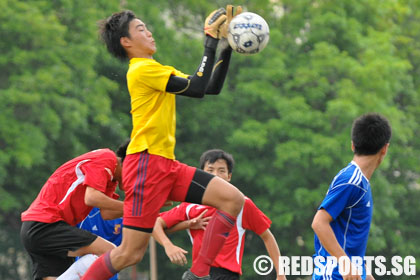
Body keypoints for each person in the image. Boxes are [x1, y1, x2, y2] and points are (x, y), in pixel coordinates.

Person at [81, 6, 245, 280]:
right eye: (141, 29)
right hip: (146, 167)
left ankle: (198, 274)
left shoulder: (154, 68)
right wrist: (210, 38)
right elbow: (196, 86)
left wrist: (227, 44)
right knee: (128, 254)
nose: (150, 33)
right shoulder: (141, 70)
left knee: (232, 199)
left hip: (164, 164)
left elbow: (208, 87)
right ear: (126, 42)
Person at [153, 149, 287, 280]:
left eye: (221, 171)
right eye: (210, 171)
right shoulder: (189, 206)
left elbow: (267, 236)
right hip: (198, 275)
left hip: (227, 275)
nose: (215, 175)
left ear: (229, 176)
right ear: (201, 176)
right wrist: (169, 245)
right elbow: (154, 223)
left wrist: (281, 274)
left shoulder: (242, 204)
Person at [20, 141, 128, 280]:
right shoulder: (107, 158)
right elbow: (92, 198)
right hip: (47, 225)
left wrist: (145, 209)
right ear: (130, 164)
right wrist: (134, 207)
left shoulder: (111, 178)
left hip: (36, 227)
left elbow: (106, 213)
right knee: (110, 253)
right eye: (139, 174)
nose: (138, 182)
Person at [311, 113, 391, 280]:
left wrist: (365, 275)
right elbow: (319, 223)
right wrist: (345, 263)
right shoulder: (351, 181)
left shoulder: (360, 183)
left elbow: (349, 241)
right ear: (385, 148)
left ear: (353, 145)